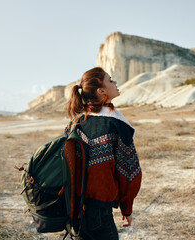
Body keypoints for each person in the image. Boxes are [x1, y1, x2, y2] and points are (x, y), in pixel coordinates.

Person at [66, 67, 142, 240]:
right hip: (98, 210)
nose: (115, 83)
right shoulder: (114, 123)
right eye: (110, 80)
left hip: (73, 208)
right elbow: (129, 172)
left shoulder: (76, 122)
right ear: (101, 91)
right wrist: (127, 208)